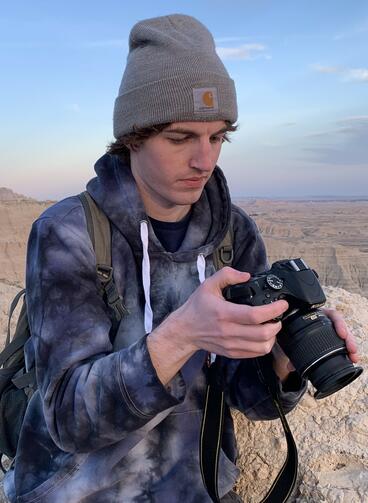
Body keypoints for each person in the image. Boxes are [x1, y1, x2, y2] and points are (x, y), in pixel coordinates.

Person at [4, 13, 358, 503]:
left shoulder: (233, 234)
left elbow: (246, 397)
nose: (205, 160)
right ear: (132, 136)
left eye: (217, 137)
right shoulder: (69, 234)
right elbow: (68, 418)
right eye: (180, 138)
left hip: (199, 490)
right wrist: (182, 334)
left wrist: (282, 357)